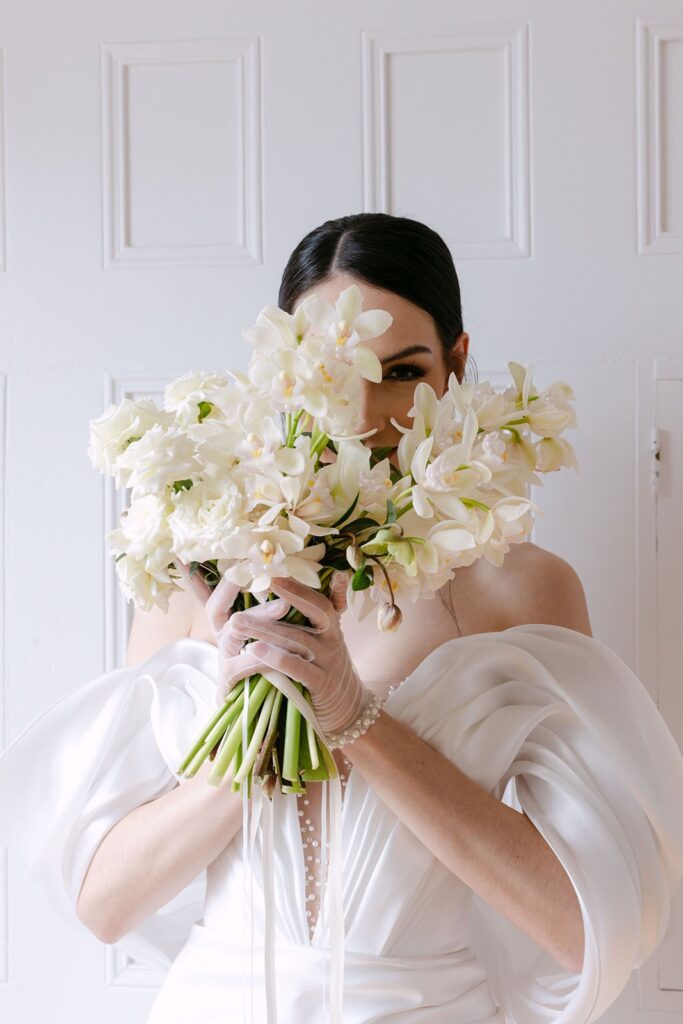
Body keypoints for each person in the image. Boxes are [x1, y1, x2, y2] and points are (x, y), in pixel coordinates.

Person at [1, 213, 682, 1024]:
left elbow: (578, 929)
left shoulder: (520, 590)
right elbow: (104, 906)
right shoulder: (203, 573)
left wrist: (354, 717)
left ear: (456, 365)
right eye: (329, 371)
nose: (363, 412)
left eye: (401, 370)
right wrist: (251, 734)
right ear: (278, 374)